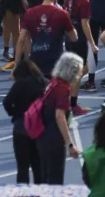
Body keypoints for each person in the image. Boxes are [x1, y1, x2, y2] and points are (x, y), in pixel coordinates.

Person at [34, 51, 84, 185]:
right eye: (79, 72)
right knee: (55, 180)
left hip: (43, 135)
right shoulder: (63, 88)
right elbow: (59, 116)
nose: (80, 75)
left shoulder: (53, 83)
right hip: (54, 138)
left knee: (44, 177)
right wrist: (70, 144)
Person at [3, 59, 48, 184]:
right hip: (40, 130)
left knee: (22, 168)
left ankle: (23, 191)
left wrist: (15, 114)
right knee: (39, 167)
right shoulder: (45, 83)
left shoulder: (20, 84)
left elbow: (7, 102)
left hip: (21, 128)